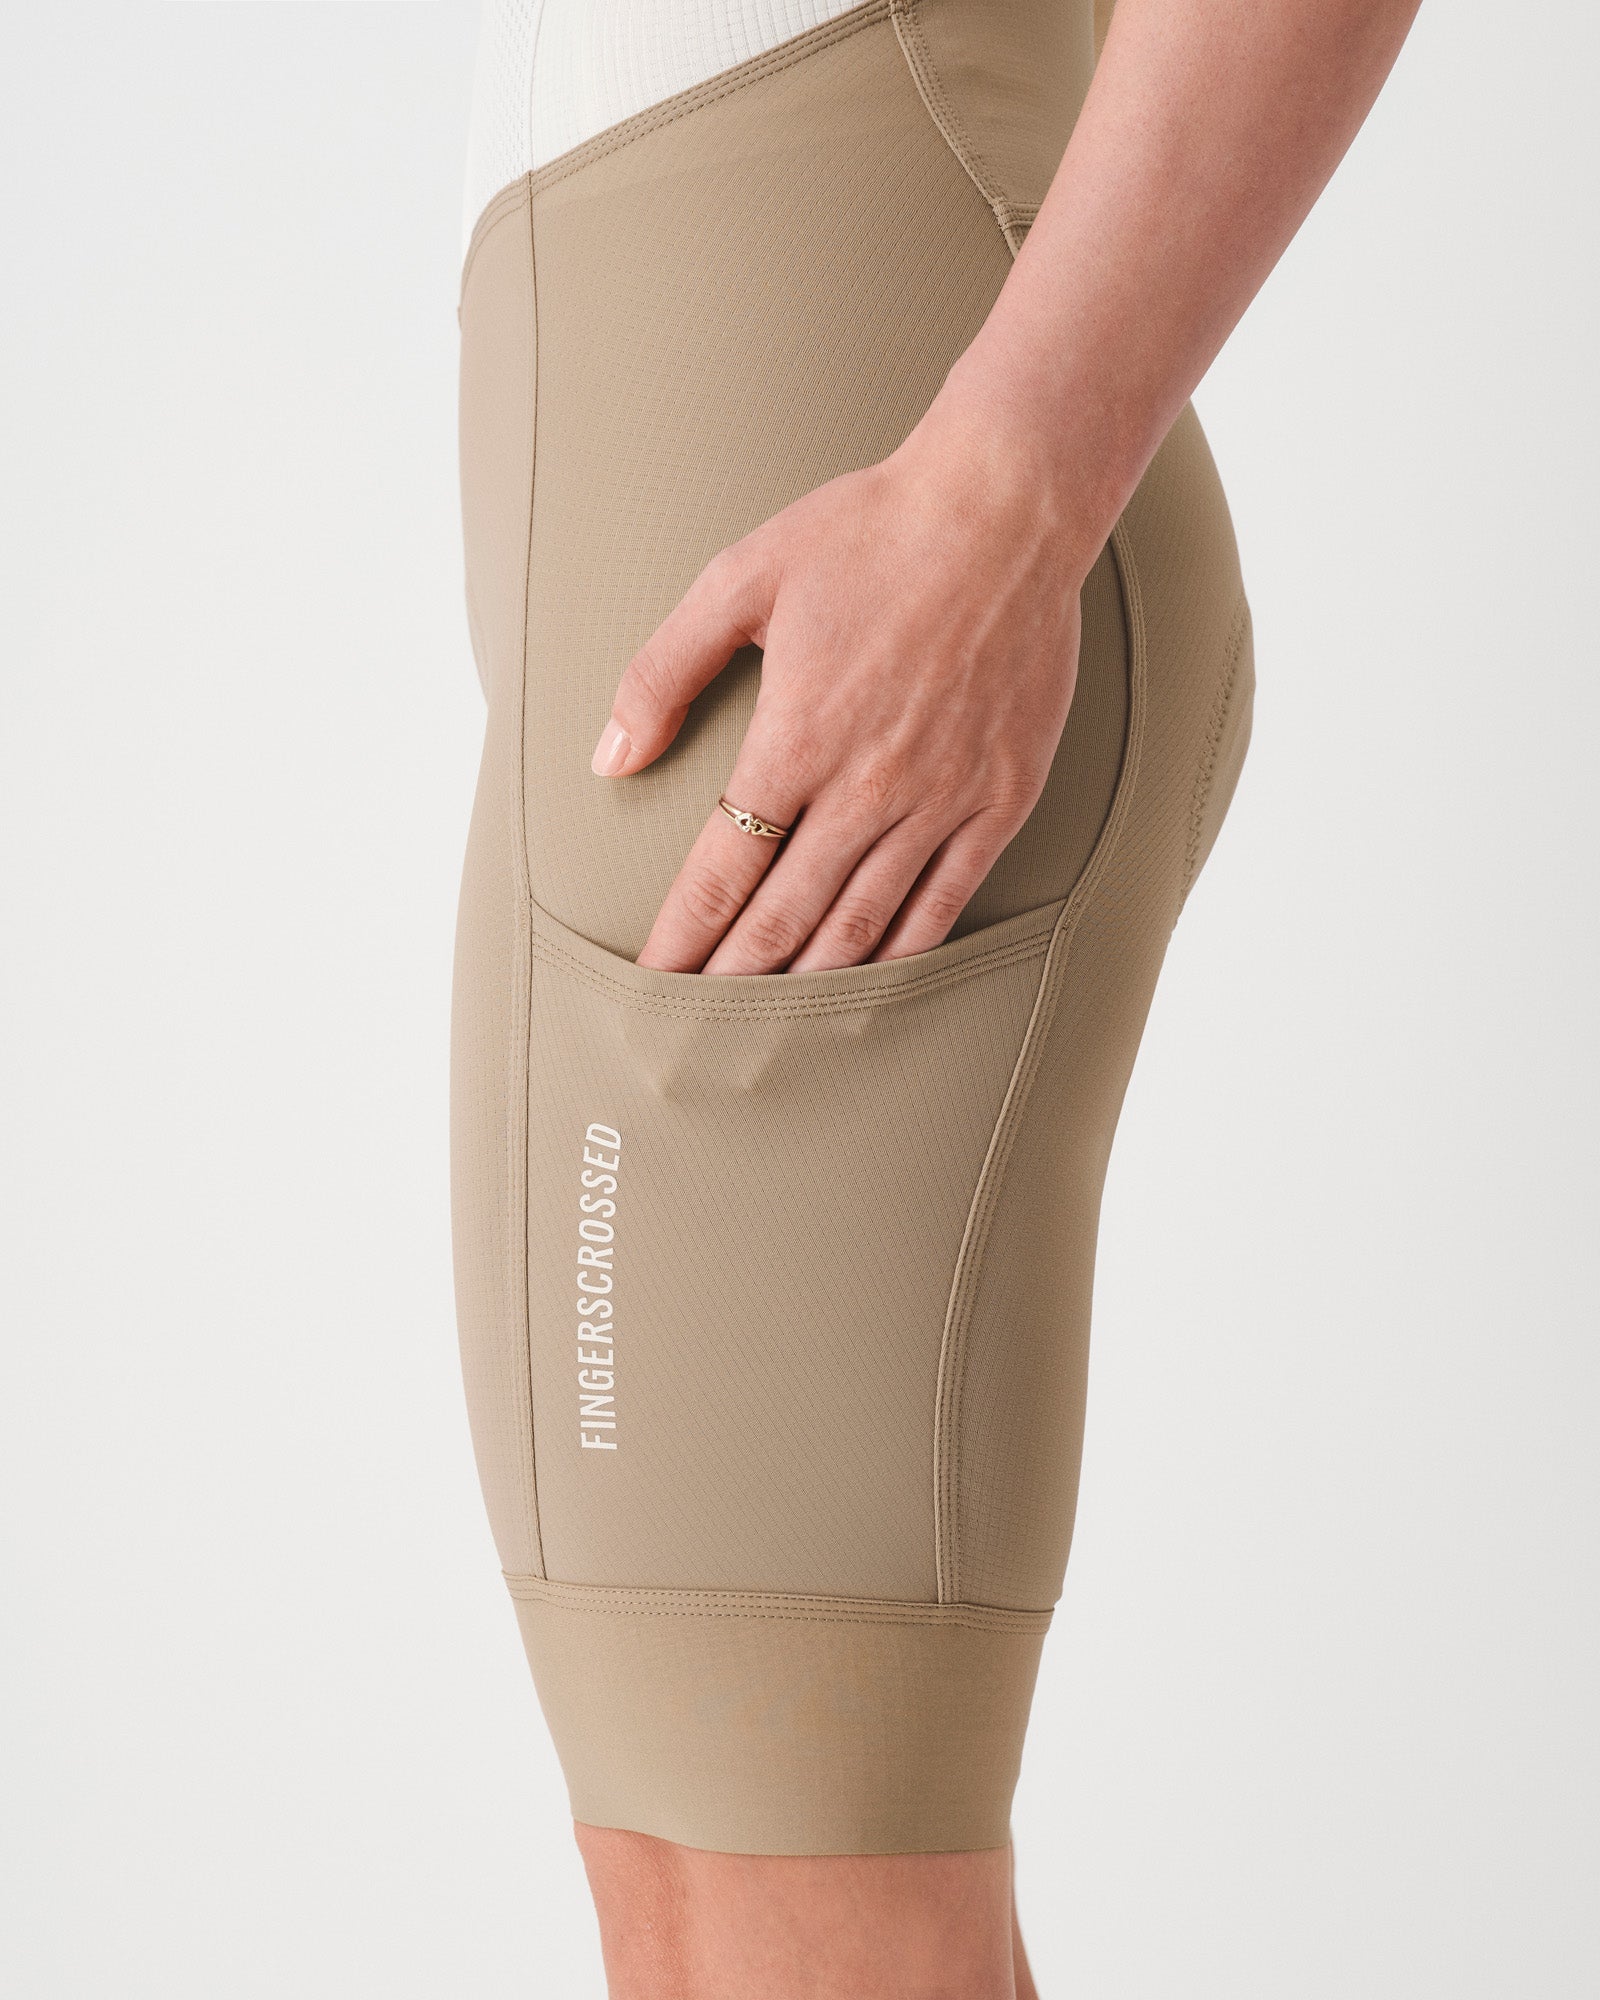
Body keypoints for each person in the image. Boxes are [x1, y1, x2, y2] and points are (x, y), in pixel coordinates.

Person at [451, 0, 1421, 1991]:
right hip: (712, 434)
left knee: (776, 1909)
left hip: (829, 499)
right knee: (713, 1900)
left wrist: (1006, 495)